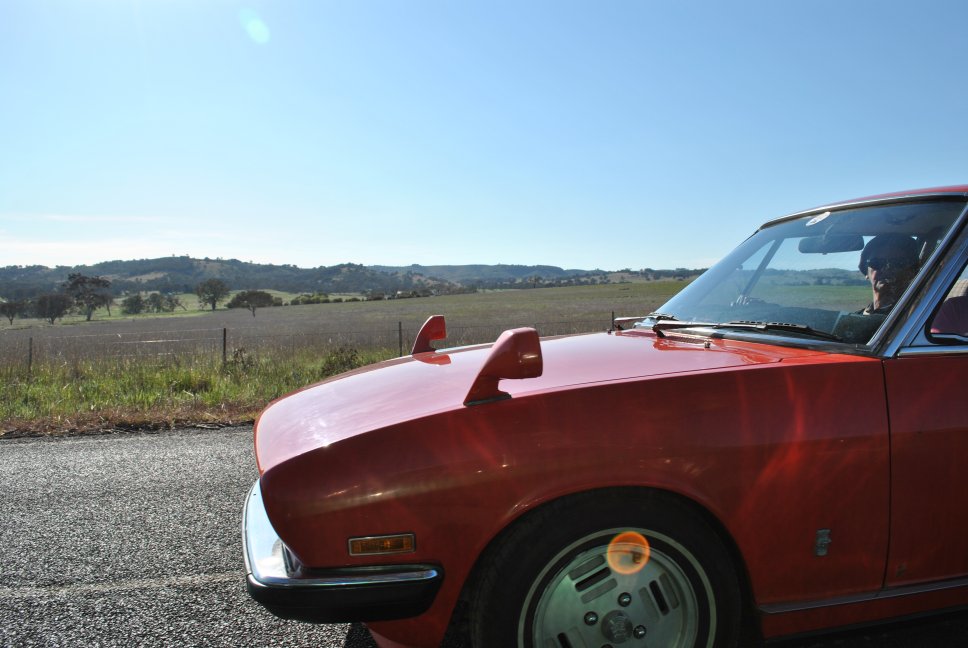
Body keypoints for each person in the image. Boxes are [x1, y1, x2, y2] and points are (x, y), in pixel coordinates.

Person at [857, 234, 920, 315]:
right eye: (877, 263)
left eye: (897, 263)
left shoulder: (918, 315)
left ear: (912, 271)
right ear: (866, 271)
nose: (887, 269)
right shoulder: (853, 319)